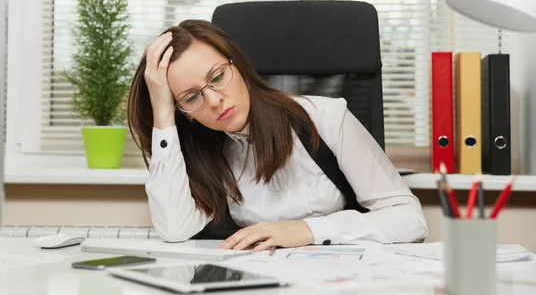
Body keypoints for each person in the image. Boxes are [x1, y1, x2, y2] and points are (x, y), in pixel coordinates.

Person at [128, 19, 428, 252]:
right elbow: (175, 229)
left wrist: (307, 230)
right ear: (186, 113)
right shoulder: (205, 149)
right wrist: (163, 111)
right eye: (192, 97)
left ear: (238, 66)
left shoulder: (324, 118)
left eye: (218, 77)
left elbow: (409, 220)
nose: (215, 100)